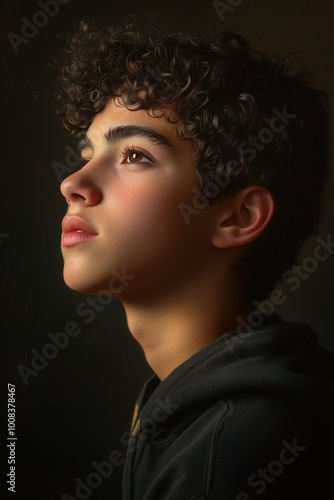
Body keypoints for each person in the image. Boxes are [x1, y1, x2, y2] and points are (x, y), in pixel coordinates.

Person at [56, 20, 334, 499]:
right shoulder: (213, 411)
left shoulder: (234, 455)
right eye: (88, 153)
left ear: (239, 217)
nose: (73, 183)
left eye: (135, 156)